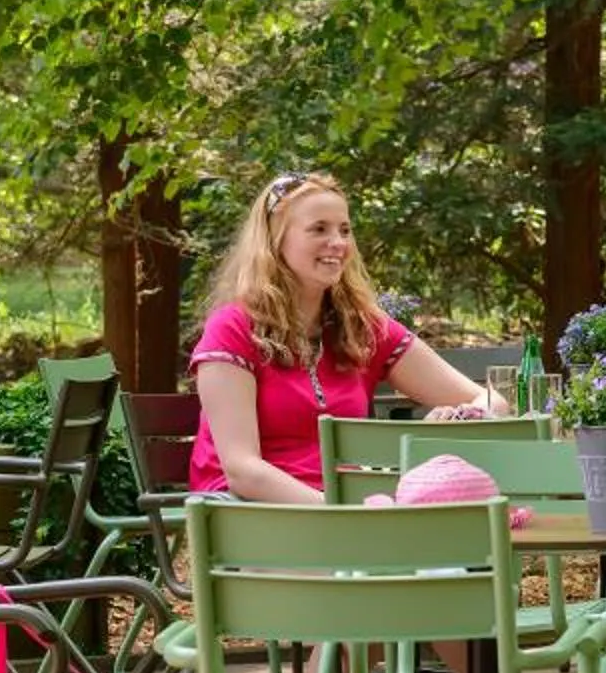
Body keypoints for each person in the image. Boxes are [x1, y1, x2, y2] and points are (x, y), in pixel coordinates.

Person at [186, 169, 498, 503]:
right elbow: (243, 472)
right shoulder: (232, 328)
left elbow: (491, 401)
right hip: (255, 515)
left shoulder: (361, 328)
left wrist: (460, 416)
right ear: (274, 241)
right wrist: (343, 515)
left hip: (349, 514)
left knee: (470, 533)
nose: (338, 243)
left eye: (344, 230)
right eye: (318, 229)